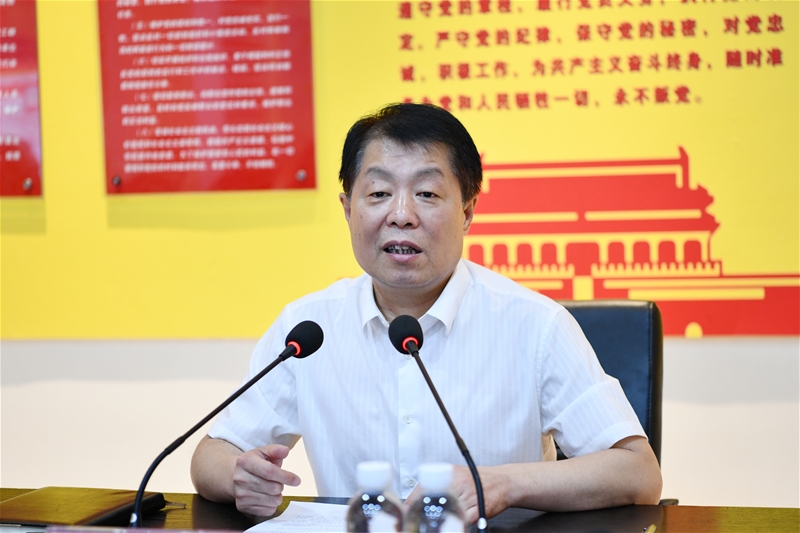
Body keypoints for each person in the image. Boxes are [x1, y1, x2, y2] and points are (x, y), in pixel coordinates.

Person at [190, 103, 663, 523]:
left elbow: (637, 473)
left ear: (468, 212)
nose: (401, 215)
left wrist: (501, 484)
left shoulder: (535, 325)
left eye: (427, 194)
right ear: (348, 209)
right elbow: (211, 455)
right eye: (378, 193)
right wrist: (238, 476)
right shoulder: (309, 328)